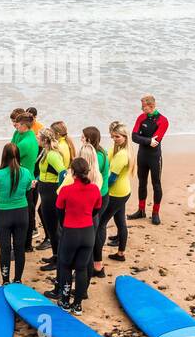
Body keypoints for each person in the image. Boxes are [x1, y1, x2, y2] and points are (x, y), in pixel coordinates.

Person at [48, 157, 102, 313]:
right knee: (81, 268)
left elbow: (59, 211)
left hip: (70, 232)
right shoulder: (94, 189)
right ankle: (77, 305)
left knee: (65, 266)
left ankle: (65, 301)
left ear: (72, 172)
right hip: (88, 233)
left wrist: (67, 222)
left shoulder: (66, 190)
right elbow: (96, 210)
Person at [0, 143, 34, 284]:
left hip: (3, 215)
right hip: (21, 214)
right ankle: (18, 280)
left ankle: (6, 281)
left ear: (4, 156)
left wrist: (4, 203)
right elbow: (28, 192)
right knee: (20, 248)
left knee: (5, 249)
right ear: (18, 156)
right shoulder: (26, 172)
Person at [129, 95, 169, 225]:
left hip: (154, 157)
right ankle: (141, 210)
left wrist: (144, 139)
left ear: (151, 106)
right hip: (142, 155)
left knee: (156, 184)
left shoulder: (163, 120)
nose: (141, 109)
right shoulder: (141, 118)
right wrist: (147, 140)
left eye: (143, 107)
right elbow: (134, 136)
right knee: (142, 183)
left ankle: (155, 213)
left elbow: (156, 141)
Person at [81, 127, 111, 278]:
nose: (81, 138)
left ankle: (96, 266)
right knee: (97, 229)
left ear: (88, 139)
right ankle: (97, 265)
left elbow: (88, 178)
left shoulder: (96, 156)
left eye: (83, 137)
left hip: (97, 196)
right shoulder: (102, 151)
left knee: (93, 231)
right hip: (103, 194)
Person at [34, 127, 66, 267]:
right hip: (45, 191)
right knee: (51, 227)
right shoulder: (46, 151)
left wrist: (59, 190)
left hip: (51, 193)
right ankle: (55, 255)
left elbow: (63, 173)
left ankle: (58, 258)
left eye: (38, 136)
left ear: (44, 140)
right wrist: (37, 179)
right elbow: (44, 171)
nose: (36, 138)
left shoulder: (52, 154)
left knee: (53, 228)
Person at [102, 121, 133, 261]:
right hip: (124, 191)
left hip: (116, 193)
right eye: (113, 137)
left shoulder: (122, 155)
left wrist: (102, 189)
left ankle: (96, 259)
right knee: (120, 221)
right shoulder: (123, 150)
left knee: (101, 224)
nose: (114, 139)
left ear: (125, 137)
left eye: (117, 137)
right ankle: (121, 253)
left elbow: (112, 178)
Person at [11, 112, 40, 249]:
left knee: (26, 213)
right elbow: (12, 144)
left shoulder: (27, 142)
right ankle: (25, 242)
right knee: (26, 211)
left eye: (18, 125)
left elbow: (10, 154)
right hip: (24, 177)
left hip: (25, 180)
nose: (15, 127)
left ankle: (26, 244)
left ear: (24, 125)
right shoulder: (22, 134)